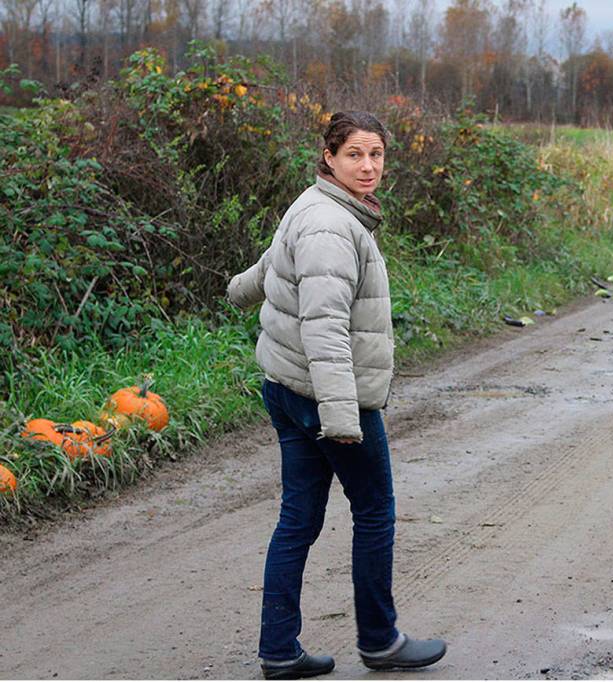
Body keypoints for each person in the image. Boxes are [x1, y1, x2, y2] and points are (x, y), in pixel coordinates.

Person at [227, 110, 446, 680]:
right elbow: (324, 325)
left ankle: (279, 650)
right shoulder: (332, 225)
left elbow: (276, 263)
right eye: (355, 154)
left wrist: (240, 291)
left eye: (376, 155)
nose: (368, 166)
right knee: (375, 511)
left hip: (286, 384)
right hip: (327, 397)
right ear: (329, 156)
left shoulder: (316, 204)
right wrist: (342, 417)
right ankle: (380, 641)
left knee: (298, 518)